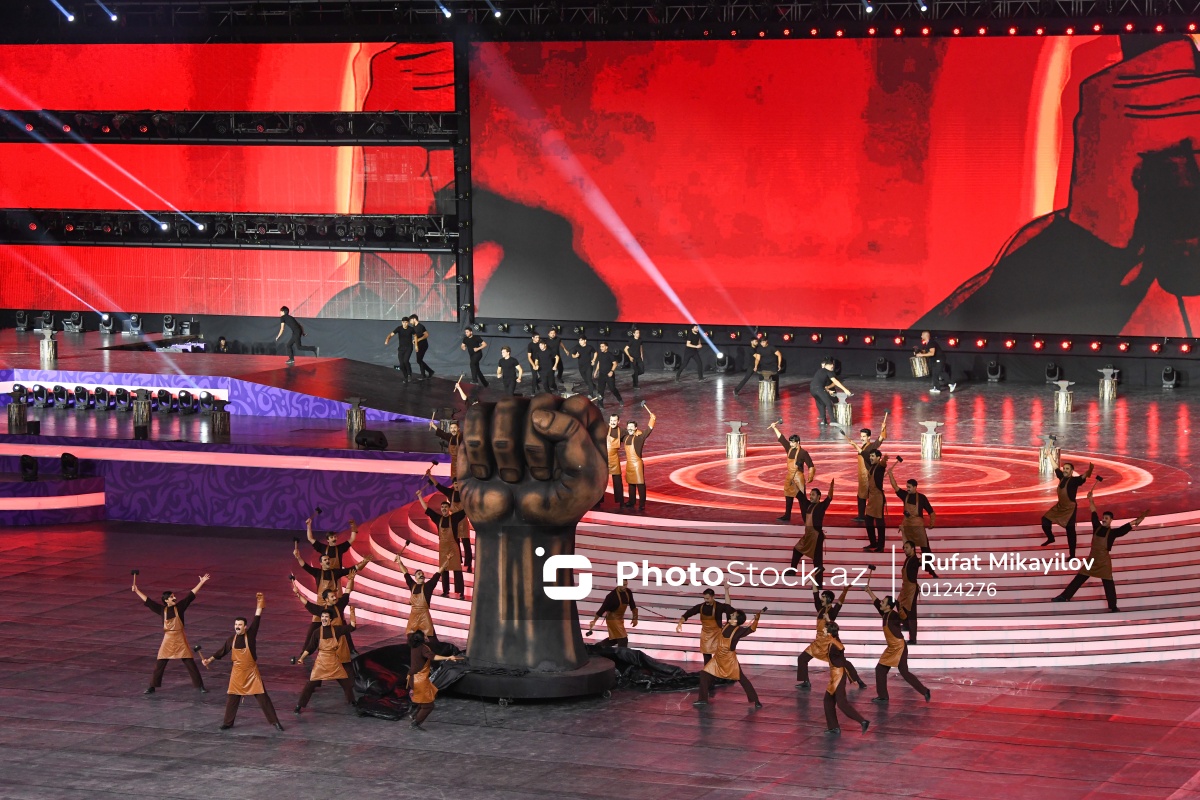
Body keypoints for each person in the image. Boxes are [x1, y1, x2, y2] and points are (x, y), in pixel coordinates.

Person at [1053, 490, 1148, 612]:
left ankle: (1113, 606)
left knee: (1108, 584)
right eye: (1103, 518)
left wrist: (1137, 521)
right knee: (1079, 578)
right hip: (1092, 560)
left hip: (1103, 562)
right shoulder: (1096, 527)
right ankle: (1064, 596)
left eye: (1106, 518)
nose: (1103, 519)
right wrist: (1090, 499)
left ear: (1111, 520)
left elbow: (1125, 527)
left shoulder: (1113, 533)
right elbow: (1093, 511)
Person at [203, 592, 283, 731]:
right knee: (232, 698)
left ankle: (275, 722)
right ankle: (228, 723)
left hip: (251, 672)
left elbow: (257, 618)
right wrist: (209, 660)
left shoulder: (250, 635)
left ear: (245, 627)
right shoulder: (231, 640)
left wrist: (260, 604)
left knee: (263, 698)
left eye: (240, 625)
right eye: (236, 624)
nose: (237, 626)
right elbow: (222, 651)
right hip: (237, 673)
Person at [132, 572, 210, 694]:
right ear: (166, 600)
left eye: (174, 596)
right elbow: (148, 601)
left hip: (180, 638)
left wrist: (201, 582)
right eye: (172, 597)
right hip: (168, 639)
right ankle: (152, 686)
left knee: (189, 662)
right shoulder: (161, 610)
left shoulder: (179, 607)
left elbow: (190, 595)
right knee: (160, 663)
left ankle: (200, 686)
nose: (174, 598)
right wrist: (137, 591)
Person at [864, 581, 930, 704]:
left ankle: (923, 691)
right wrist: (869, 592)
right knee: (882, 670)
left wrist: (903, 604)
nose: (881, 603)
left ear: (888, 606)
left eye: (883, 602)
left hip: (899, 647)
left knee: (897, 671)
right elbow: (876, 602)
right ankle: (884, 696)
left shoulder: (893, 615)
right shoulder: (885, 613)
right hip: (893, 647)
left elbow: (903, 617)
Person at [796, 585, 866, 690]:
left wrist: (845, 591)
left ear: (828, 599)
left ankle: (858, 680)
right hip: (818, 642)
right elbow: (815, 594)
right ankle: (806, 682)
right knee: (802, 658)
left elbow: (840, 602)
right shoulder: (820, 608)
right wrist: (814, 579)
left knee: (843, 663)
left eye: (823, 597)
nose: (821, 598)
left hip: (829, 643)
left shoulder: (833, 612)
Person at [693, 608, 763, 709]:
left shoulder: (739, 631)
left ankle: (756, 700)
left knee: (742, 679)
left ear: (736, 619)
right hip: (718, 658)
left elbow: (752, 629)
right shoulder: (726, 625)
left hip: (729, 660)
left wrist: (756, 619)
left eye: (733, 615)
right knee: (704, 674)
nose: (731, 615)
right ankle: (702, 699)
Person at [295, 608, 358, 714]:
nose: (324, 618)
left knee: (346, 683)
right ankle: (299, 705)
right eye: (323, 617)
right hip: (321, 663)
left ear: (330, 619)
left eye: (326, 617)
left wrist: (352, 612)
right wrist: (302, 658)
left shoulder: (337, 630)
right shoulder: (316, 632)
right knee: (310, 684)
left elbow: (352, 626)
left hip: (334, 662)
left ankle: (352, 701)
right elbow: (310, 647)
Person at [407, 629, 463, 730]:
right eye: (424, 635)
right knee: (429, 706)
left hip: (413, 678)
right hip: (418, 680)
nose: (426, 636)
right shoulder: (423, 648)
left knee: (431, 694)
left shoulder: (414, 646)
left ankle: (414, 714)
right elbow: (433, 657)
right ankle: (415, 723)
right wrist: (448, 657)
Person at [889, 462, 938, 577]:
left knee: (926, 551)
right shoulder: (905, 495)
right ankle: (911, 571)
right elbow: (895, 486)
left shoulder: (922, 498)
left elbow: (931, 511)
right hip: (908, 526)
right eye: (907, 487)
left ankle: (930, 570)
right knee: (909, 551)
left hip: (918, 527)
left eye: (909, 487)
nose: (907, 489)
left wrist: (932, 523)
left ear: (915, 487)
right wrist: (890, 474)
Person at [394, 546, 454, 640]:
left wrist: (448, 559)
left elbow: (440, 571)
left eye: (422, 574)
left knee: (432, 640)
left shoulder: (428, 586)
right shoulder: (412, 585)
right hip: (413, 616)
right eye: (419, 574)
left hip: (424, 617)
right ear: (415, 578)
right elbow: (405, 572)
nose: (421, 575)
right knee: (411, 639)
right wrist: (399, 562)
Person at [822, 622, 870, 735]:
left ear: (829, 632)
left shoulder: (835, 643)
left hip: (838, 675)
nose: (822, 630)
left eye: (824, 629)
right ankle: (833, 727)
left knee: (841, 703)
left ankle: (862, 721)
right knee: (828, 700)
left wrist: (851, 676)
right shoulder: (833, 640)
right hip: (835, 675)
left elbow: (841, 652)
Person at [1040, 459, 1094, 557]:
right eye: (1064, 468)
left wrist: (1089, 471)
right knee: (1045, 520)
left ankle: (1072, 555)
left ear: (1072, 471)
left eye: (1067, 469)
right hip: (1060, 506)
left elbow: (1083, 476)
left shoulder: (1074, 481)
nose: (1065, 470)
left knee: (1070, 532)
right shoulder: (1062, 477)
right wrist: (1049, 455)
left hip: (1070, 509)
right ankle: (1051, 538)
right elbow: (1056, 467)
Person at [417, 490, 466, 599]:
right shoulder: (438, 518)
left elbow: (465, 510)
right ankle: (445, 591)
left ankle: (461, 592)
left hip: (453, 547)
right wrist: (420, 496)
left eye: (446, 507)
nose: (444, 508)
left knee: (457, 570)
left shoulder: (454, 518)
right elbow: (427, 509)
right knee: (444, 570)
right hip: (443, 548)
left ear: (449, 509)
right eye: (442, 507)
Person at [427, 468, 472, 571]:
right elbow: (438, 486)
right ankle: (458, 561)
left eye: (458, 484)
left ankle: (468, 564)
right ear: (453, 484)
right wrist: (430, 476)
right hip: (453, 521)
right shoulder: (450, 492)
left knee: (466, 543)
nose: (457, 485)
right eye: (455, 484)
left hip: (463, 521)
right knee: (456, 543)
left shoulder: (465, 494)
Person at [790, 481, 834, 589]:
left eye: (813, 495)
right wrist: (794, 484)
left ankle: (819, 584)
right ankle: (792, 571)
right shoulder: (807, 505)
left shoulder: (821, 506)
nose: (811, 496)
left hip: (816, 536)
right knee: (796, 550)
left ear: (818, 497)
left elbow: (829, 498)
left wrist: (831, 488)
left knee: (817, 561)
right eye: (810, 494)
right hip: (808, 535)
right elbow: (800, 496)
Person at [769, 420, 815, 522]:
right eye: (790, 442)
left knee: (802, 499)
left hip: (798, 478)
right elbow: (781, 438)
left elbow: (811, 465)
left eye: (792, 442)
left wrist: (810, 476)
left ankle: (806, 518)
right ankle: (787, 516)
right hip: (790, 477)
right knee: (788, 496)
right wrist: (774, 427)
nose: (790, 443)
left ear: (798, 442)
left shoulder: (803, 452)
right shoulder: (789, 449)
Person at [676, 586, 735, 664]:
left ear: (713, 597)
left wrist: (726, 589)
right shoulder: (701, 607)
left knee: (720, 657)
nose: (706, 600)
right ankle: (707, 671)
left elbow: (728, 607)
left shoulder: (719, 606)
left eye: (708, 598)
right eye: (705, 598)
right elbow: (688, 613)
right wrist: (680, 623)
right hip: (706, 635)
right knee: (707, 659)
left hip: (717, 635)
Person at [847, 418, 887, 521]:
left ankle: (868, 515)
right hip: (862, 477)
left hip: (867, 476)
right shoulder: (864, 446)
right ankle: (863, 516)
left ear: (869, 437)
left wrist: (883, 429)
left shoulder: (871, 446)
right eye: (861, 436)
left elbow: (880, 440)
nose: (862, 438)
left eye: (864, 436)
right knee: (861, 496)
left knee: (866, 496)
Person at [621, 405, 656, 512]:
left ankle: (642, 503)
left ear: (636, 428)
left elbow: (648, 430)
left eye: (632, 427)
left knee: (640, 483)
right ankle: (631, 501)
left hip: (637, 464)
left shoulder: (639, 438)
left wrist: (652, 419)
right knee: (631, 483)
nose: (630, 428)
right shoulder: (625, 437)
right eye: (629, 427)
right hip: (629, 464)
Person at [587, 581, 638, 647]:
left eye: (626, 584)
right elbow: (601, 610)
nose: (625, 587)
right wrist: (594, 621)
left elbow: (632, 605)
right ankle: (621, 653)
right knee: (623, 639)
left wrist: (635, 618)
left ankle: (596, 647)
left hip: (620, 618)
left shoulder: (628, 592)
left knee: (615, 639)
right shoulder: (611, 596)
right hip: (612, 619)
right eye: (623, 585)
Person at [810, 358, 852, 426]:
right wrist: (845, 390)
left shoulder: (819, 371)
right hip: (819, 389)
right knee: (828, 403)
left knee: (821, 403)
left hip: (812, 390)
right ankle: (833, 421)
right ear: (828, 366)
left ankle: (823, 420)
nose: (832, 369)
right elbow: (835, 381)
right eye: (831, 367)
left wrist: (828, 390)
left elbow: (819, 383)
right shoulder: (828, 371)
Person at [862, 450, 888, 553]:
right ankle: (873, 542)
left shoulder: (880, 467)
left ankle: (881, 546)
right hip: (871, 498)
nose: (871, 458)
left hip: (878, 498)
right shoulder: (872, 466)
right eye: (870, 456)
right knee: (868, 521)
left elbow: (883, 464)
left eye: (873, 456)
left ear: (878, 458)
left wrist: (884, 459)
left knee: (879, 523)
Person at [897, 540, 921, 643]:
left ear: (912, 548)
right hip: (905, 587)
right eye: (904, 548)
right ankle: (906, 624)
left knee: (911, 613)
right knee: (898, 604)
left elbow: (921, 562)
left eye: (907, 548)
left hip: (911, 589)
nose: (905, 550)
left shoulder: (915, 559)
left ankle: (913, 638)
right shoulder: (908, 559)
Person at [603, 413, 625, 509]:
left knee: (618, 481)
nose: (612, 422)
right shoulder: (605, 429)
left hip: (614, 459)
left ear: (618, 421)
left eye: (614, 420)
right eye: (611, 420)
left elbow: (631, 434)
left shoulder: (622, 431)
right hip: (604, 458)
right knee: (601, 481)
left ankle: (621, 501)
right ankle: (598, 501)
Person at [384, 316, 414, 380]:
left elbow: (415, 336)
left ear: (408, 323)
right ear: (402, 322)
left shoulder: (411, 329)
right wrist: (387, 339)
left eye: (406, 322)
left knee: (406, 360)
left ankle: (409, 374)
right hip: (401, 348)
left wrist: (416, 344)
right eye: (404, 322)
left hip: (409, 347)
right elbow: (391, 334)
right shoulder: (399, 328)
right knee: (401, 364)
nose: (405, 324)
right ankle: (406, 377)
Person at [594, 342, 623, 406]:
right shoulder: (600, 354)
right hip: (601, 375)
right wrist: (596, 371)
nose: (601, 348)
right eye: (600, 346)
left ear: (606, 347)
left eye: (602, 346)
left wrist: (611, 371)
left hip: (609, 375)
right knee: (600, 390)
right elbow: (599, 363)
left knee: (612, 388)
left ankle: (620, 399)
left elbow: (615, 364)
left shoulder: (610, 355)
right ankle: (600, 404)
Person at [411, 314, 434, 380]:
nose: (410, 322)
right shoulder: (414, 327)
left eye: (411, 320)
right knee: (419, 360)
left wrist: (418, 340)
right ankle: (429, 372)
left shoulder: (420, 326)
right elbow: (416, 336)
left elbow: (426, 335)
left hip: (423, 345)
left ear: (414, 319)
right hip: (418, 345)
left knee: (419, 360)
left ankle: (424, 374)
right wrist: (415, 341)